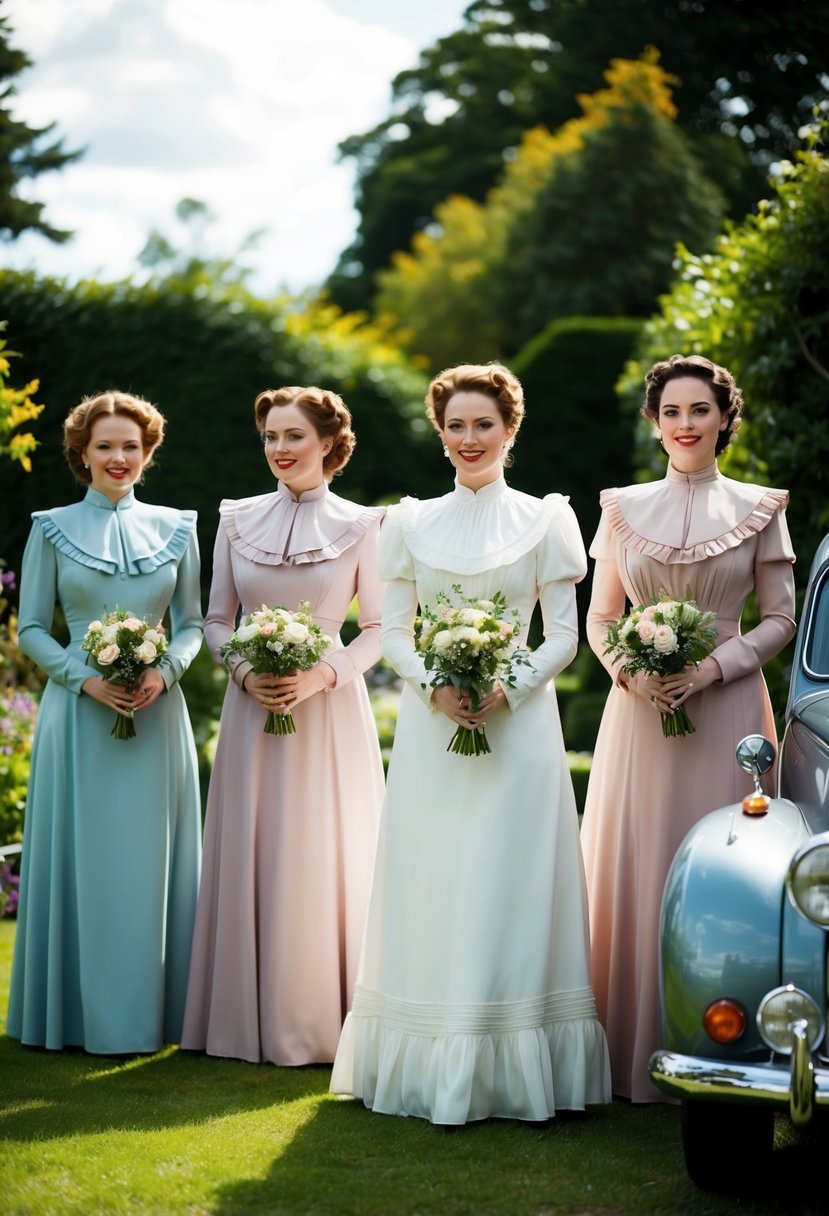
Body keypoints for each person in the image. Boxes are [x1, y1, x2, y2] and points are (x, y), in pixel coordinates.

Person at [331, 362, 610, 1125]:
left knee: (508, 879)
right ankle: (424, 1055)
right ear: (439, 431)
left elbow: (561, 637)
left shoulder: (548, 518)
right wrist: (433, 686)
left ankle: (516, 1064)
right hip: (431, 730)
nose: (466, 438)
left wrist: (505, 685)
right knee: (436, 877)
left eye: (481, 424)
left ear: (509, 429)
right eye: (454, 425)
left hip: (517, 729)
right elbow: (389, 632)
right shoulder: (409, 522)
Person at [580, 354, 797, 1102]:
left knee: (725, 867)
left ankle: (723, 1040)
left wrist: (710, 670)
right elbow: (602, 617)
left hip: (728, 711)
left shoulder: (760, 507)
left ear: (722, 418)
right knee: (636, 860)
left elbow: (779, 619)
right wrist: (630, 672)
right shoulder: (619, 508)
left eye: (697, 410)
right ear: (653, 421)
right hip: (636, 717)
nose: (683, 425)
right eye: (670, 412)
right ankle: (624, 1051)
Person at [181, 385, 385, 1066]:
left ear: (329, 442)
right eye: (269, 436)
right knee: (253, 845)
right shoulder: (235, 519)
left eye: (292, 436)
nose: (278, 449)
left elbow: (383, 630)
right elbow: (215, 621)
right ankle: (239, 1022)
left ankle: (321, 1020)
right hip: (250, 710)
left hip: (327, 712)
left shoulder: (364, 525)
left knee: (320, 850)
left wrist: (322, 676)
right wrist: (242, 672)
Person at [7, 390, 203, 1054]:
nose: (118, 458)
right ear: (81, 454)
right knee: (83, 857)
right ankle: (72, 1015)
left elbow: (193, 626)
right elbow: (31, 627)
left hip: (156, 716)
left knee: (151, 861)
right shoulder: (50, 526)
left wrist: (164, 671)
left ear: (147, 453)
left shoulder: (179, 527)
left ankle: (162, 1015)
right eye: (104, 446)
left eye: (131, 446)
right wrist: (82, 678)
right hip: (77, 715)